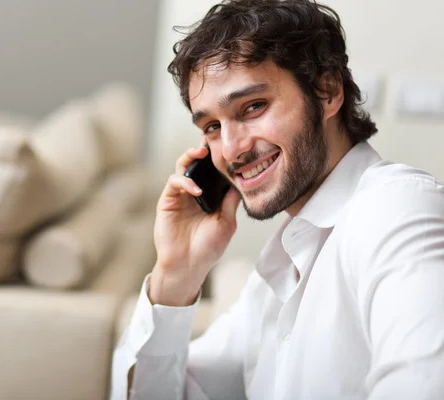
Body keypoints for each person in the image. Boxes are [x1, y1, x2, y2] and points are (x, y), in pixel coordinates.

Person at [111, 0, 444, 399]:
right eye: (213, 126)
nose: (232, 149)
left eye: (252, 107)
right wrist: (176, 273)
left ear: (327, 91)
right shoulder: (281, 265)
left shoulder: (395, 209)